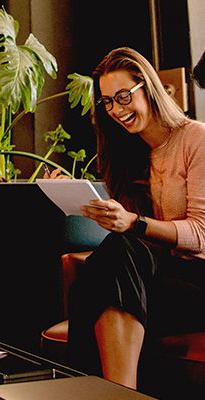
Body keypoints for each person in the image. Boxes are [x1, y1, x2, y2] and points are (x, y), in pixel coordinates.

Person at [67, 47, 205, 389]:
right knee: (111, 258)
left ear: (148, 87)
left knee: (114, 259)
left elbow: (201, 234)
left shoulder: (196, 139)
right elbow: (133, 239)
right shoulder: (127, 153)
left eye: (124, 96)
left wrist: (133, 223)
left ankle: (114, 394)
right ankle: (118, 392)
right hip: (154, 279)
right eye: (108, 102)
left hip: (197, 280)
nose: (116, 109)